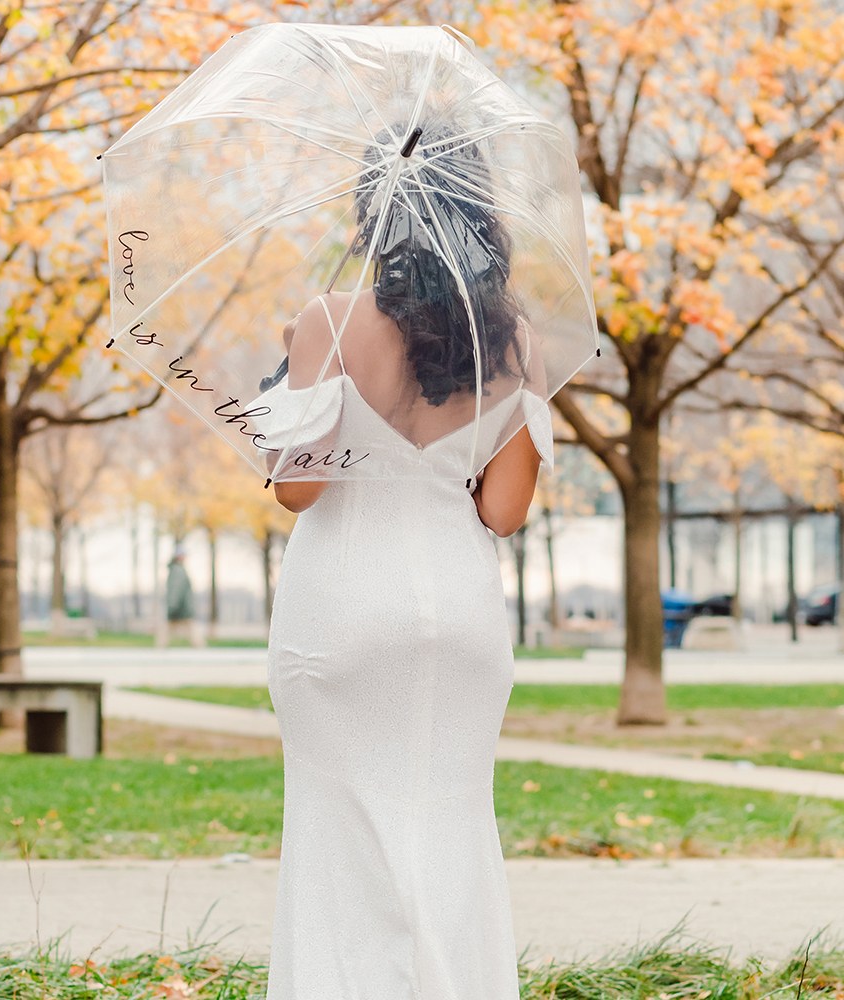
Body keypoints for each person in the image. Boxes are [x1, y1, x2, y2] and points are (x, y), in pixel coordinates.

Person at [255, 132, 553, 1000]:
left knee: (340, 842)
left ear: (373, 214)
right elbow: (503, 510)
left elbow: (297, 490)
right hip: (460, 613)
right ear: (478, 214)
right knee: (455, 837)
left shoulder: (327, 320)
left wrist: (297, 372)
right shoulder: (516, 340)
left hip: (343, 608)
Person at [160, 544, 203, 648]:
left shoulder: (177, 570)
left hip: (181, 606)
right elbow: (175, 590)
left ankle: (160, 648)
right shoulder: (178, 571)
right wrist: (173, 606)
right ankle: (200, 649)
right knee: (191, 629)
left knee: (168, 629)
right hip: (181, 607)